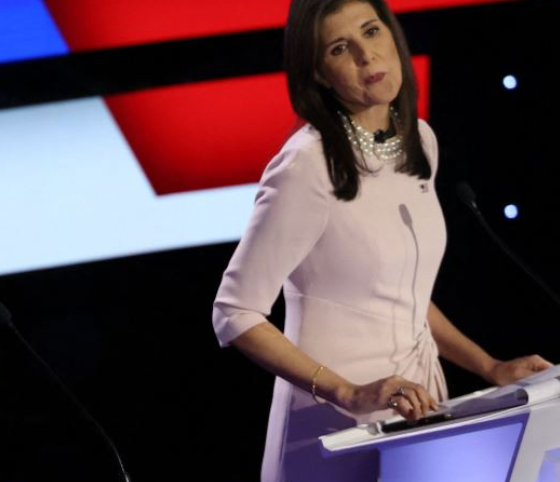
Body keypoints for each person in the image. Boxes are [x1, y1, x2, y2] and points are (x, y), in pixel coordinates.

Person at [211, 1, 551, 480]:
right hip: (333, 425)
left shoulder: (419, 140)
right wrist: (347, 392)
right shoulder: (306, 165)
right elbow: (234, 312)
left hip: (419, 410)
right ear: (319, 74)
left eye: (371, 32)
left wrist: (489, 367)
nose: (366, 56)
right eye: (340, 48)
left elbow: (404, 297)